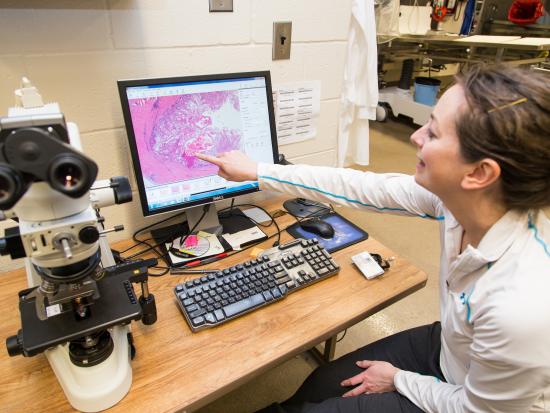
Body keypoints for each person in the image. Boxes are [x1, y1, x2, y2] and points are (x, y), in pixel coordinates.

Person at [196, 65, 550, 412]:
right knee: (321, 384)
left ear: (479, 173)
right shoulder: (463, 201)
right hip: (454, 351)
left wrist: (399, 379)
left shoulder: (521, 305)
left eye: (434, 132)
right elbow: (366, 189)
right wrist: (258, 171)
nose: (415, 136)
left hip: (474, 403)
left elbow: (477, 410)